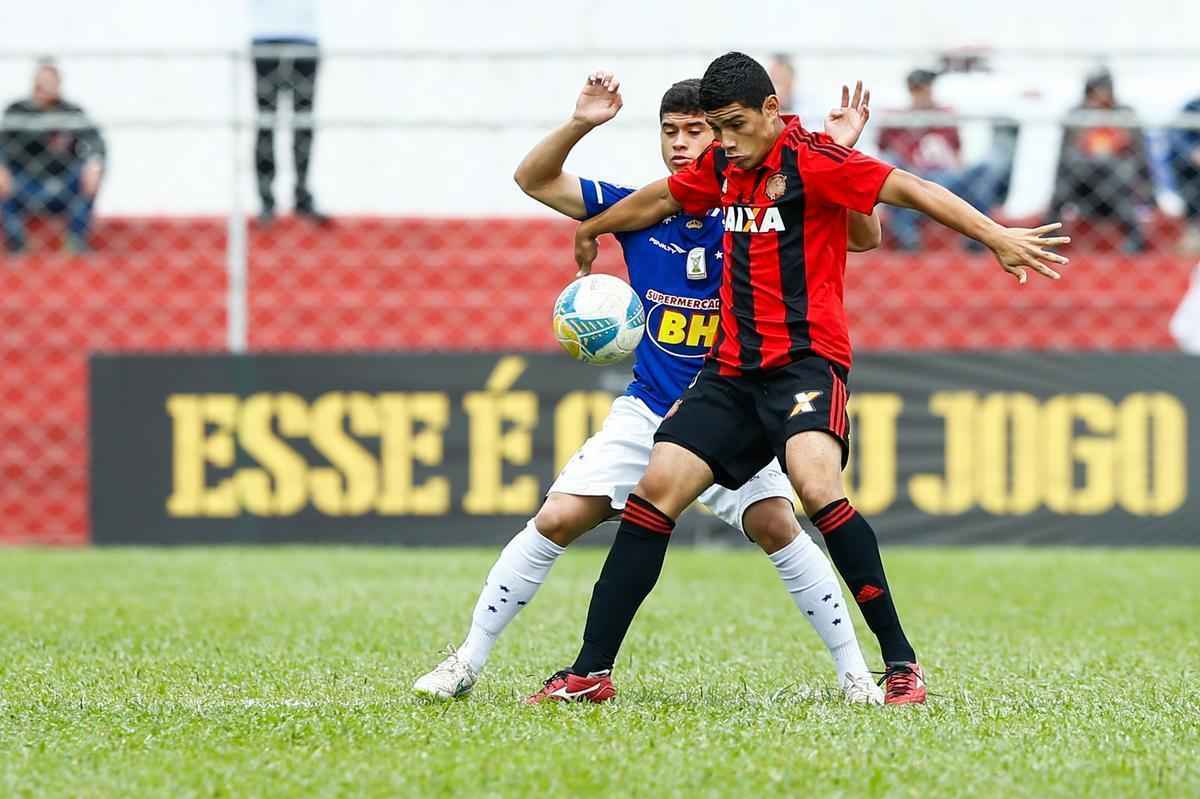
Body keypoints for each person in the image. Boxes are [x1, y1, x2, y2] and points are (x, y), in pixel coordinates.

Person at [531, 51, 1069, 707]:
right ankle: (591, 670)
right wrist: (596, 225)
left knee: (817, 487)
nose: (722, 141)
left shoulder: (816, 160)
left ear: (769, 112)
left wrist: (996, 236)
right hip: (731, 370)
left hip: (805, 365)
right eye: (714, 128)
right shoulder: (722, 165)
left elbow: (914, 190)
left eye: (732, 125)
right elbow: (658, 198)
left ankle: (901, 662)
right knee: (654, 490)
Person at [413, 71, 887, 705]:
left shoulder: (759, 207)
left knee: (778, 523)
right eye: (670, 131)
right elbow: (534, 180)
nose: (682, 144)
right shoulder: (641, 209)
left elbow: (862, 235)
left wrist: (843, 154)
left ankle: (856, 675)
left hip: (739, 405)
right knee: (558, 516)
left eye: (697, 130)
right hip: (653, 412)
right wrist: (582, 122)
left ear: (723, 133)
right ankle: (466, 661)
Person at [877, 68, 1005, 250]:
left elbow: (958, 154)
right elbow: (884, 152)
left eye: (925, 89)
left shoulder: (945, 115)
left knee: (988, 165)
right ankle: (907, 236)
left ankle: (977, 238)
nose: (922, 95)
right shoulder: (896, 119)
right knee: (890, 167)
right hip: (912, 179)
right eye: (917, 89)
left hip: (947, 177)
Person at [0, 58, 105, 255]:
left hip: (64, 184)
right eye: (42, 82)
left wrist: (95, 163)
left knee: (91, 169)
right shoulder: (17, 111)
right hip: (24, 183)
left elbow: (96, 141)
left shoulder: (71, 112)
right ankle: (17, 245)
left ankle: (75, 242)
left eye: (51, 82)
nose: (46, 87)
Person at [1050, 68, 1149, 252]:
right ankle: (1049, 237)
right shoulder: (1077, 116)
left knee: (1115, 169)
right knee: (1070, 178)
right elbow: (1065, 159)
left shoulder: (1125, 115)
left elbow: (1139, 158)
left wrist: (1150, 193)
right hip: (1082, 185)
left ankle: (1135, 241)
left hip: (1116, 185)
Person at [251, 0, 327, 224]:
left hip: (304, 36)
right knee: (266, 122)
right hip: (266, 34)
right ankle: (266, 201)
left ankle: (301, 194)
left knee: (303, 122)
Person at [1168, 95, 1200, 254]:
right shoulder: (1193, 106)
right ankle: (1194, 230)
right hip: (1195, 168)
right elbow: (1178, 138)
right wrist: (1192, 152)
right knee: (1188, 168)